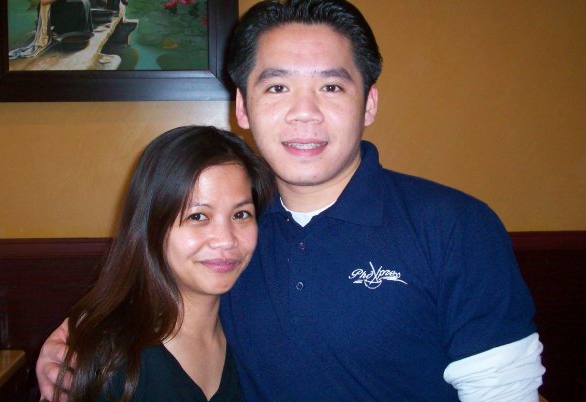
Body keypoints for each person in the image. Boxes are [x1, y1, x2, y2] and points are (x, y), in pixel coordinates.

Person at [37, 1, 546, 400]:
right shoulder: (235, 234)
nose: (305, 113)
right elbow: (151, 289)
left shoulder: (454, 226)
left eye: (331, 87)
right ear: (242, 106)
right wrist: (76, 338)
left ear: (368, 103)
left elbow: (505, 393)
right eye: (277, 87)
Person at [49, 126, 273, 402]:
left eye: (241, 214)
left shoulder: (257, 332)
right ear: (153, 226)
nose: (226, 240)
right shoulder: (110, 360)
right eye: (198, 216)